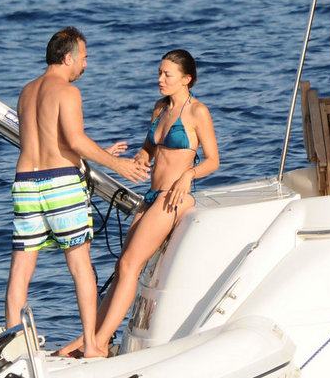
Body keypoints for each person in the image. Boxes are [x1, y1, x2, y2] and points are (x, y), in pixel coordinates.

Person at [56, 48, 219, 357]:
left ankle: (99, 344)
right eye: (159, 73)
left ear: (186, 79)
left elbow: (213, 160)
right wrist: (140, 159)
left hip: (174, 197)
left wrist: (188, 175)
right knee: (121, 267)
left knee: (130, 264)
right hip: (152, 196)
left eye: (167, 75)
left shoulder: (198, 112)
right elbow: (149, 149)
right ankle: (89, 339)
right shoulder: (160, 108)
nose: (160, 79)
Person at [5, 26, 149, 358]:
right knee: (81, 266)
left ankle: (13, 350)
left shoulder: (26, 92)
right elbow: (74, 140)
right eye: (83, 57)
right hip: (61, 184)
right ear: (68, 58)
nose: (85, 64)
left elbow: (49, 141)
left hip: (26, 183)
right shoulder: (68, 92)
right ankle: (93, 345)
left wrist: (97, 153)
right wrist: (118, 165)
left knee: (20, 272)